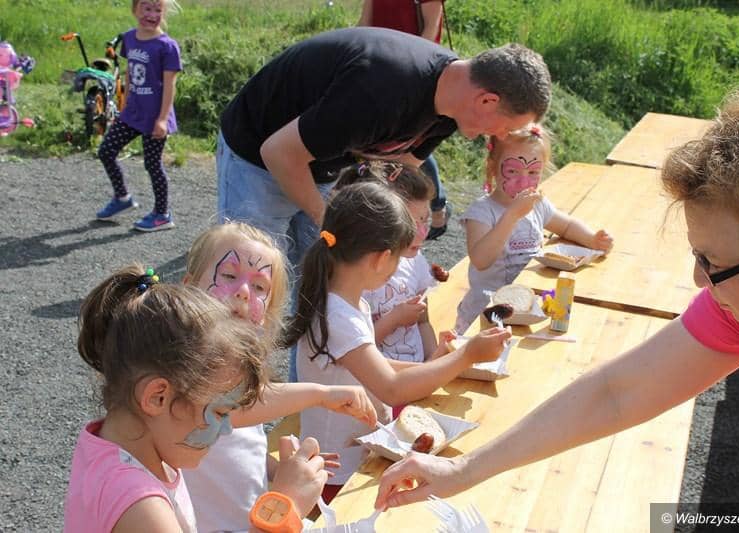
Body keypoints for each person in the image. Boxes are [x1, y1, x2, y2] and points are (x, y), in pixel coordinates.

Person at [373, 72, 739, 526]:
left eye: (713, 262)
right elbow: (616, 393)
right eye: (698, 257)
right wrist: (464, 469)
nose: (699, 280)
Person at [217, 26, 550, 380]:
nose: (500, 136)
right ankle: (234, 398)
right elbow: (278, 152)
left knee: (325, 286)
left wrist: (399, 239)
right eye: (506, 127)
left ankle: (309, 399)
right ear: (487, 101)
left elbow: (398, 172)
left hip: (320, 160)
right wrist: (328, 219)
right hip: (259, 157)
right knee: (251, 288)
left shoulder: (450, 109)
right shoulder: (380, 90)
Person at [281, 182, 511, 502]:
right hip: (337, 474)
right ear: (381, 258)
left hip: (354, 457)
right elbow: (391, 387)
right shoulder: (339, 317)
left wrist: (440, 362)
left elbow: (377, 366)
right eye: (399, 258)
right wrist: (466, 356)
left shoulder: (348, 303)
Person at [63, 265, 329, 532]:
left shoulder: (123, 449)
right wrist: (285, 506)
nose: (227, 428)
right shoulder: (140, 505)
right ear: (157, 398)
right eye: (220, 413)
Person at [180, 221, 378, 533]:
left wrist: (279, 470)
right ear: (188, 287)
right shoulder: (182, 363)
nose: (243, 292)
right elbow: (233, 409)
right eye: (229, 276)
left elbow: (235, 446)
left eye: (260, 287)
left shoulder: (238, 370)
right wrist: (321, 394)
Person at [455, 125, 613, 333]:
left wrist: (592, 239)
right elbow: (480, 260)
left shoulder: (537, 205)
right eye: (512, 171)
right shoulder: (482, 212)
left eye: (532, 172)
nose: (523, 181)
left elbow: (566, 226)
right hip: (485, 316)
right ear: (492, 167)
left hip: (526, 309)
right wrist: (512, 215)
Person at [336, 161, 455, 365]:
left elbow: (423, 321)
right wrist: (394, 320)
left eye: (425, 221)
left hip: (415, 374)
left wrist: (433, 360)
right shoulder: (356, 276)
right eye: (411, 224)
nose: (422, 233)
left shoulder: (415, 262)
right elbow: (350, 350)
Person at [357, 0, 452, 238]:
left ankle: (436, 205)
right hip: (378, 70)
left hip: (413, 76)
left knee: (414, 142)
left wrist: (414, 72)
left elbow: (431, 28)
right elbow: (365, 23)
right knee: (392, 142)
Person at [95, 0, 181, 232]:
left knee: (152, 164)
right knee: (106, 151)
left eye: (157, 10)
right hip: (132, 113)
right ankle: (122, 197)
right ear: (135, 9)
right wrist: (125, 104)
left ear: (163, 13)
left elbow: (170, 86)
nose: (151, 14)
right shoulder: (130, 38)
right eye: (146, 8)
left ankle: (162, 215)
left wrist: (162, 119)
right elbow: (130, 72)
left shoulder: (167, 46)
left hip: (155, 116)